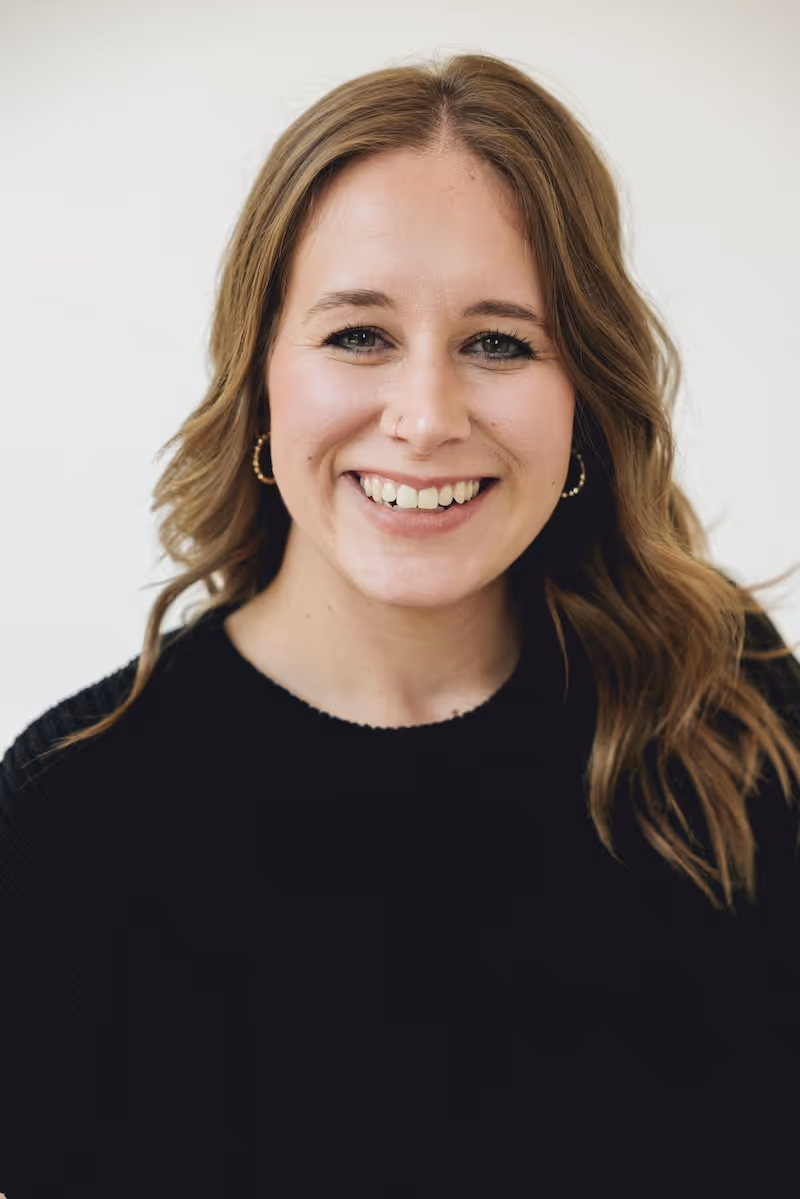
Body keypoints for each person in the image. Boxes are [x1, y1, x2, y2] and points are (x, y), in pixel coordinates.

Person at [1, 51, 799, 1197]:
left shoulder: (721, 692)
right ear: (263, 376)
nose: (424, 417)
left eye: (498, 341)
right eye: (358, 336)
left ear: (583, 397)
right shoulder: (78, 816)